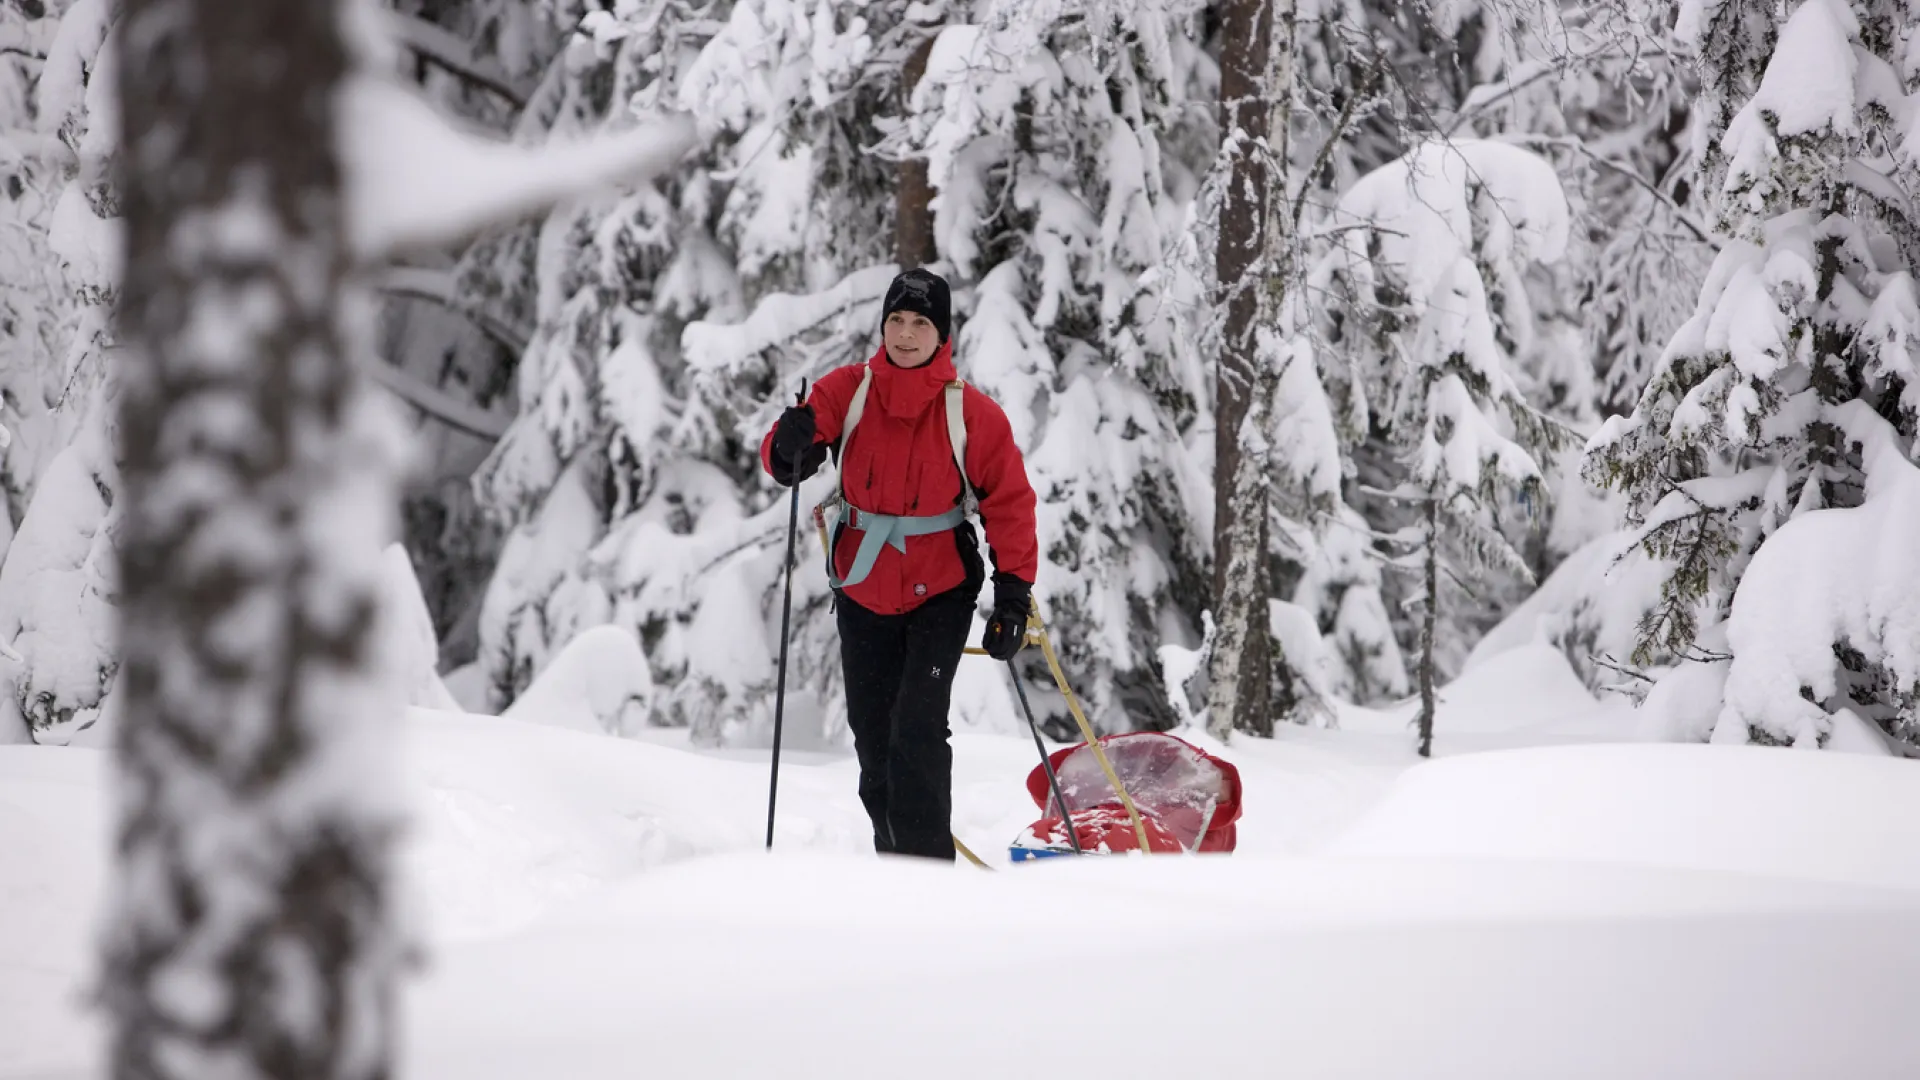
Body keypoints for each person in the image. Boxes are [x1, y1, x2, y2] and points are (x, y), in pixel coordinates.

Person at [760, 268, 1039, 861]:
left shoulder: (972, 413)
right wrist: (790, 442)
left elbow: (1010, 502)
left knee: (917, 730)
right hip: (862, 587)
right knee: (874, 738)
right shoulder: (849, 389)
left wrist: (1013, 595)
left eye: (920, 323)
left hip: (941, 589)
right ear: (882, 325)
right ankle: (895, 863)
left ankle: (927, 875)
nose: (906, 334)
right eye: (896, 320)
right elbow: (790, 457)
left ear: (943, 336)